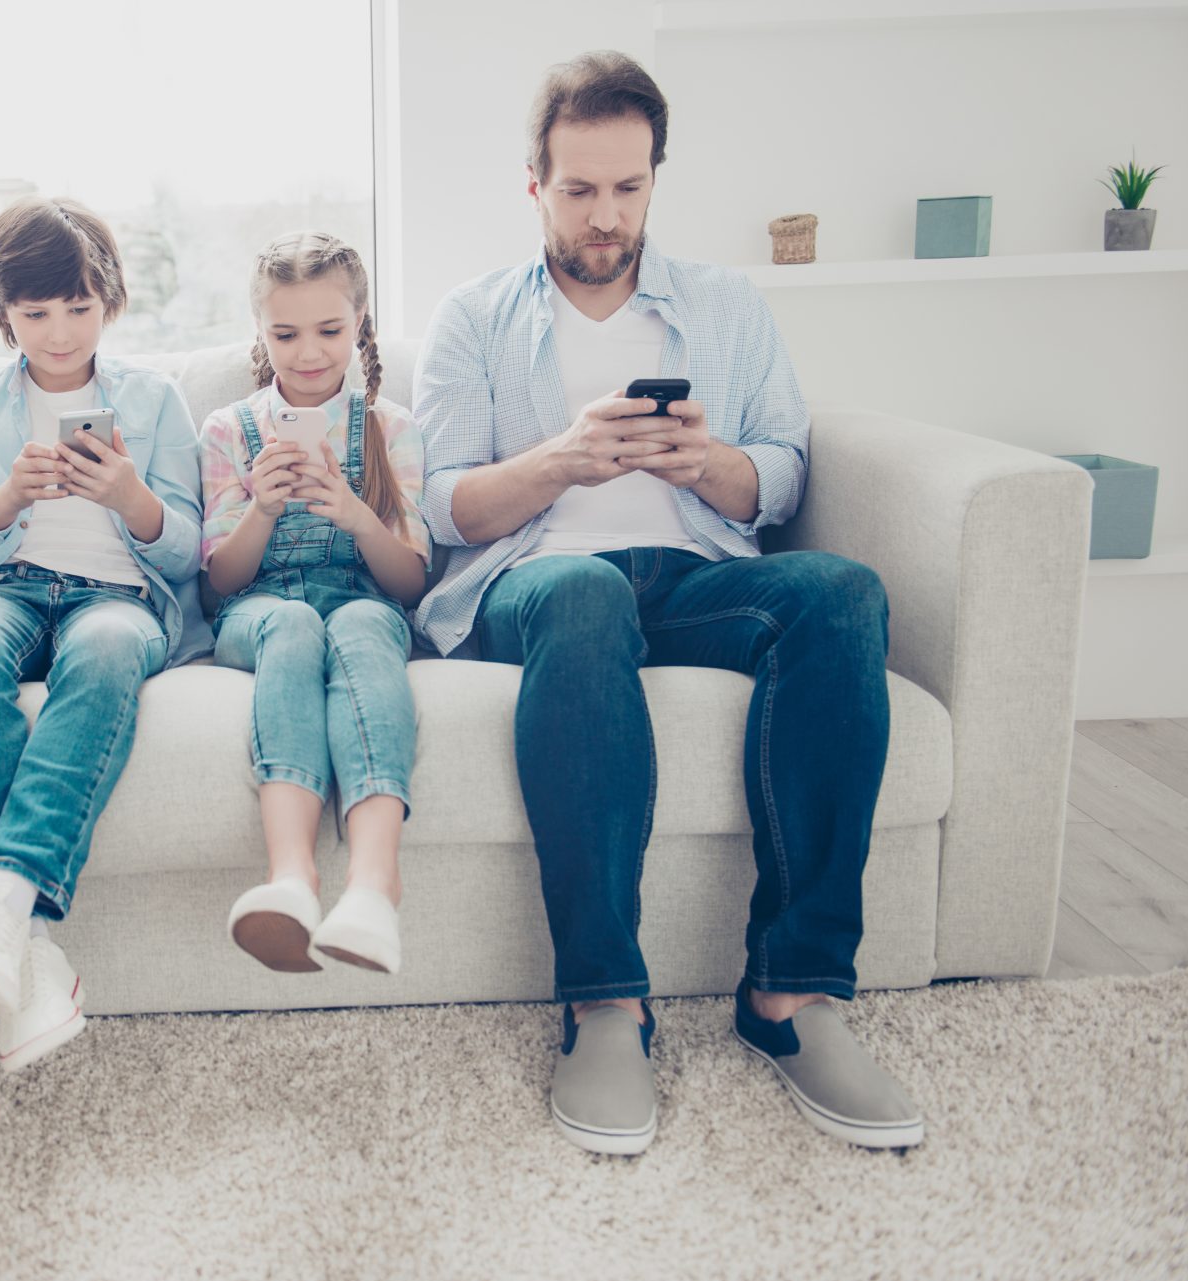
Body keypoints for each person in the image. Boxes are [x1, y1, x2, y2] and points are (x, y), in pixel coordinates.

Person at [413, 52, 923, 1155]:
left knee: (839, 592)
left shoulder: (727, 305)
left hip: (691, 568)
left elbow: (782, 471)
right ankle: (606, 1002)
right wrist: (561, 460)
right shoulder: (472, 318)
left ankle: (794, 993)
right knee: (589, 592)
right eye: (580, 189)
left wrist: (712, 466)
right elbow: (446, 508)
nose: (607, 216)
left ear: (655, 179)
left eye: (629, 188)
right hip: (535, 585)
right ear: (534, 184)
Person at [0, 196, 206, 1072]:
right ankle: (31, 950)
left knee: (109, 649)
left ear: (109, 301)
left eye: (79, 307)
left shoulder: (155, 398)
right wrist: (6, 499)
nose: (58, 331)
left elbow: (193, 553)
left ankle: (2, 895)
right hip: (4, 584)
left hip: (116, 592)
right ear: (2, 311)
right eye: (36, 312)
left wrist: (129, 497)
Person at [202, 232, 429, 975]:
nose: (307, 353)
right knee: (295, 623)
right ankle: (292, 877)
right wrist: (262, 509)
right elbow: (220, 584)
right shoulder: (228, 431)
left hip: (362, 596)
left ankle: (372, 884)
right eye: (285, 333)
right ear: (260, 333)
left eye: (330, 331)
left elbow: (410, 585)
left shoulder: (391, 427)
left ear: (360, 324)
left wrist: (357, 514)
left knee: (365, 621)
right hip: (262, 611)